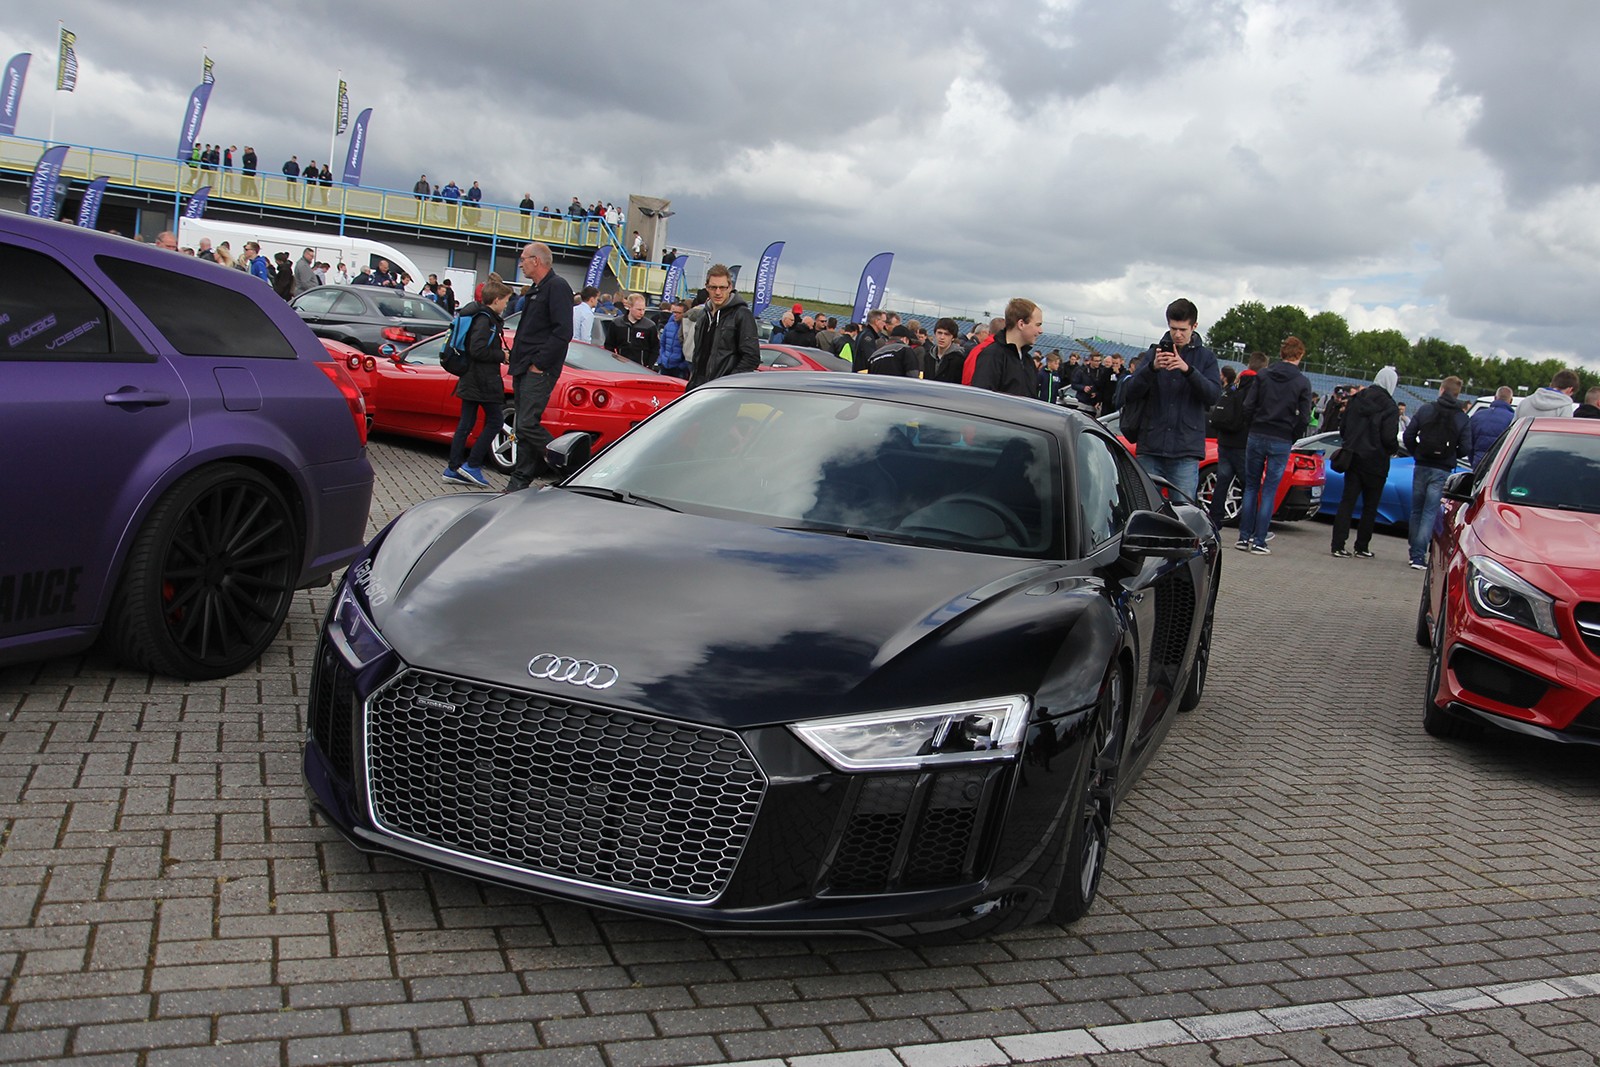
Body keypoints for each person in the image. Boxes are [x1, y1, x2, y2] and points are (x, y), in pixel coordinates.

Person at [1119, 298, 1222, 503]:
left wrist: (1188, 370)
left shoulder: (1206, 358)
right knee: (1145, 507)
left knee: (1184, 512)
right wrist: (1152, 368)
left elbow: (1212, 396)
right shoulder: (1153, 353)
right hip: (1151, 445)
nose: (1177, 334)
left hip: (1185, 450)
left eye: (1183, 329)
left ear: (1194, 326)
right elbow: (1129, 393)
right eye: (1173, 328)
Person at [504, 243, 574, 492]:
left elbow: (563, 331)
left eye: (523, 259)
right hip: (523, 366)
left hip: (539, 369)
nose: (520, 263)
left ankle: (572, 467)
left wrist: (539, 364)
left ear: (536, 260)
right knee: (522, 427)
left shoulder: (557, 287)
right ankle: (519, 482)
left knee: (526, 425)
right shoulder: (535, 290)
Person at [1237, 336, 1312, 553]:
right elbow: (1305, 417)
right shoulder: (1302, 382)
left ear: (1282, 353)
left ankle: (1243, 537)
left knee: (1251, 487)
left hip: (1258, 433)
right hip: (1282, 438)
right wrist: (1292, 435)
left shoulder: (1264, 375)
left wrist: (1253, 425)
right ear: (1300, 355)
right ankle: (1260, 540)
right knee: (1269, 490)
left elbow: (1248, 405)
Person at [442, 279, 513, 489]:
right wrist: (502, 355)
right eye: (506, 301)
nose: (507, 305)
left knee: (466, 423)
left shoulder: (479, 316)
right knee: (495, 421)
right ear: (497, 300)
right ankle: (472, 465)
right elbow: (478, 350)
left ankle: (453, 468)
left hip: (470, 379)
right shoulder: (486, 321)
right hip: (483, 380)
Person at [1330, 367, 1401, 559]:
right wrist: (1392, 449)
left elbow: (1343, 428)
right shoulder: (1390, 407)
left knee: (1347, 502)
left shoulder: (1357, 399)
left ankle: (1338, 544)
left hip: (1353, 458)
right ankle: (1361, 546)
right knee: (1370, 506)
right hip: (1376, 462)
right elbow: (1388, 437)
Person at [1402, 375, 1470, 569]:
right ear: (1458, 394)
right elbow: (1466, 447)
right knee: (1430, 512)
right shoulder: (1461, 418)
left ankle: (1414, 551)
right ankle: (1418, 555)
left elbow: (1408, 435)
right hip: (1442, 468)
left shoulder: (1426, 409)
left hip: (1422, 464)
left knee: (1417, 509)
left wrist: (1417, 452)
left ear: (1441, 390)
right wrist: (1450, 455)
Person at [1206, 353, 1264, 530]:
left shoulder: (1235, 386)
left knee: (1222, 483)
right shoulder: (1258, 387)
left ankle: (1214, 521)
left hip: (1224, 441)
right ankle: (1250, 526)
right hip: (1243, 443)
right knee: (1249, 486)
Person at [686, 264, 760, 388]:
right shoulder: (704, 315)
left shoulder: (741, 314)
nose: (718, 292)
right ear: (707, 288)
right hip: (698, 387)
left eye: (722, 287)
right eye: (713, 287)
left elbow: (751, 357)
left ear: (730, 287)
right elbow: (699, 354)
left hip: (723, 390)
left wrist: (728, 384)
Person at [970, 299, 1044, 396]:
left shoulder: (1027, 360)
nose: (1040, 331)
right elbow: (981, 399)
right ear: (1021, 324)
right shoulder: (992, 355)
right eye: (1037, 325)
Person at [1466, 386, 1516, 468]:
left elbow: (1468, 442)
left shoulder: (1477, 416)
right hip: (1499, 465)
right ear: (1511, 401)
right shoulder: (1513, 420)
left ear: (1495, 398)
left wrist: (1473, 460)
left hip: (1478, 462)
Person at [607, 293, 660, 367]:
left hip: (641, 368)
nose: (642, 312)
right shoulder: (616, 323)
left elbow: (655, 348)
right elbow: (609, 345)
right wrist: (614, 362)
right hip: (620, 367)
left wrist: (649, 365)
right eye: (639, 309)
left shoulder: (650, 326)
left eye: (643, 309)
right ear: (629, 307)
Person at [657, 301, 691, 380]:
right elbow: (662, 344)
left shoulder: (688, 328)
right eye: (674, 312)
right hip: (665, 365)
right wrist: (662, 359)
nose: (675, 315)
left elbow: (690, 350)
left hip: (679, 368)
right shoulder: (669, 326)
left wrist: (682, 365)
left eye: (678, 313)